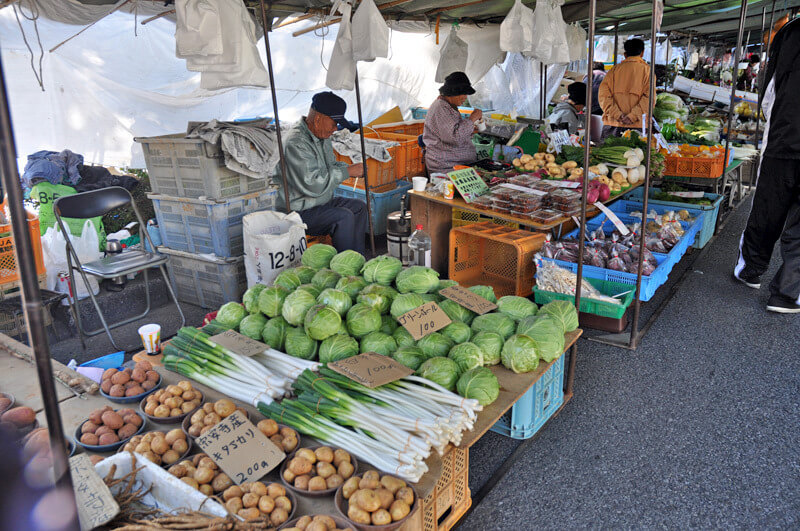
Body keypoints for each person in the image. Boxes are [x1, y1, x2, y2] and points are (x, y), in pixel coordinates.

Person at [733, 18, 800, 313]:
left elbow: (768, 90)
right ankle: (786, 293)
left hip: (784, 139)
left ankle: (750, 270)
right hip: (784, 137)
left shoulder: (791, 31)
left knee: (768, 209)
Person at [275, 92, 367, 253]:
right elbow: (313, 184)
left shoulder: (321, 136)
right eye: (333, 123)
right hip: (297, 210)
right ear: (318, 119)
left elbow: (330, 165)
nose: (335, 129)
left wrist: (350, 167)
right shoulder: (296, 142)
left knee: (359, 207)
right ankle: (346, 269)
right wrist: (347, 172)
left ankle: (356, 258)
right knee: (343, 217)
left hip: (319, 203)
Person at [422, 71, 482, 174]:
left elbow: (454, 128)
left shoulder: (448, 106)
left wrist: (471, 128)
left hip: (456, 164)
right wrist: (472, 119)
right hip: (446, 167)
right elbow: (454, 137)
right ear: (453, 93)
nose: (465, 97)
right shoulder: (441, 108)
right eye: (463, 93)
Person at [598, 38, 651, 138]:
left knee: (607, 153)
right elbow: (649, 99)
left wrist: (618, 115)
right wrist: (632, 116)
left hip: (613, 124)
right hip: (637, 126)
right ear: (642, 53)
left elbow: (603, 96)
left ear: (625, 54)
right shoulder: (647, 71)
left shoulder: (614, 70)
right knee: (636, 153)